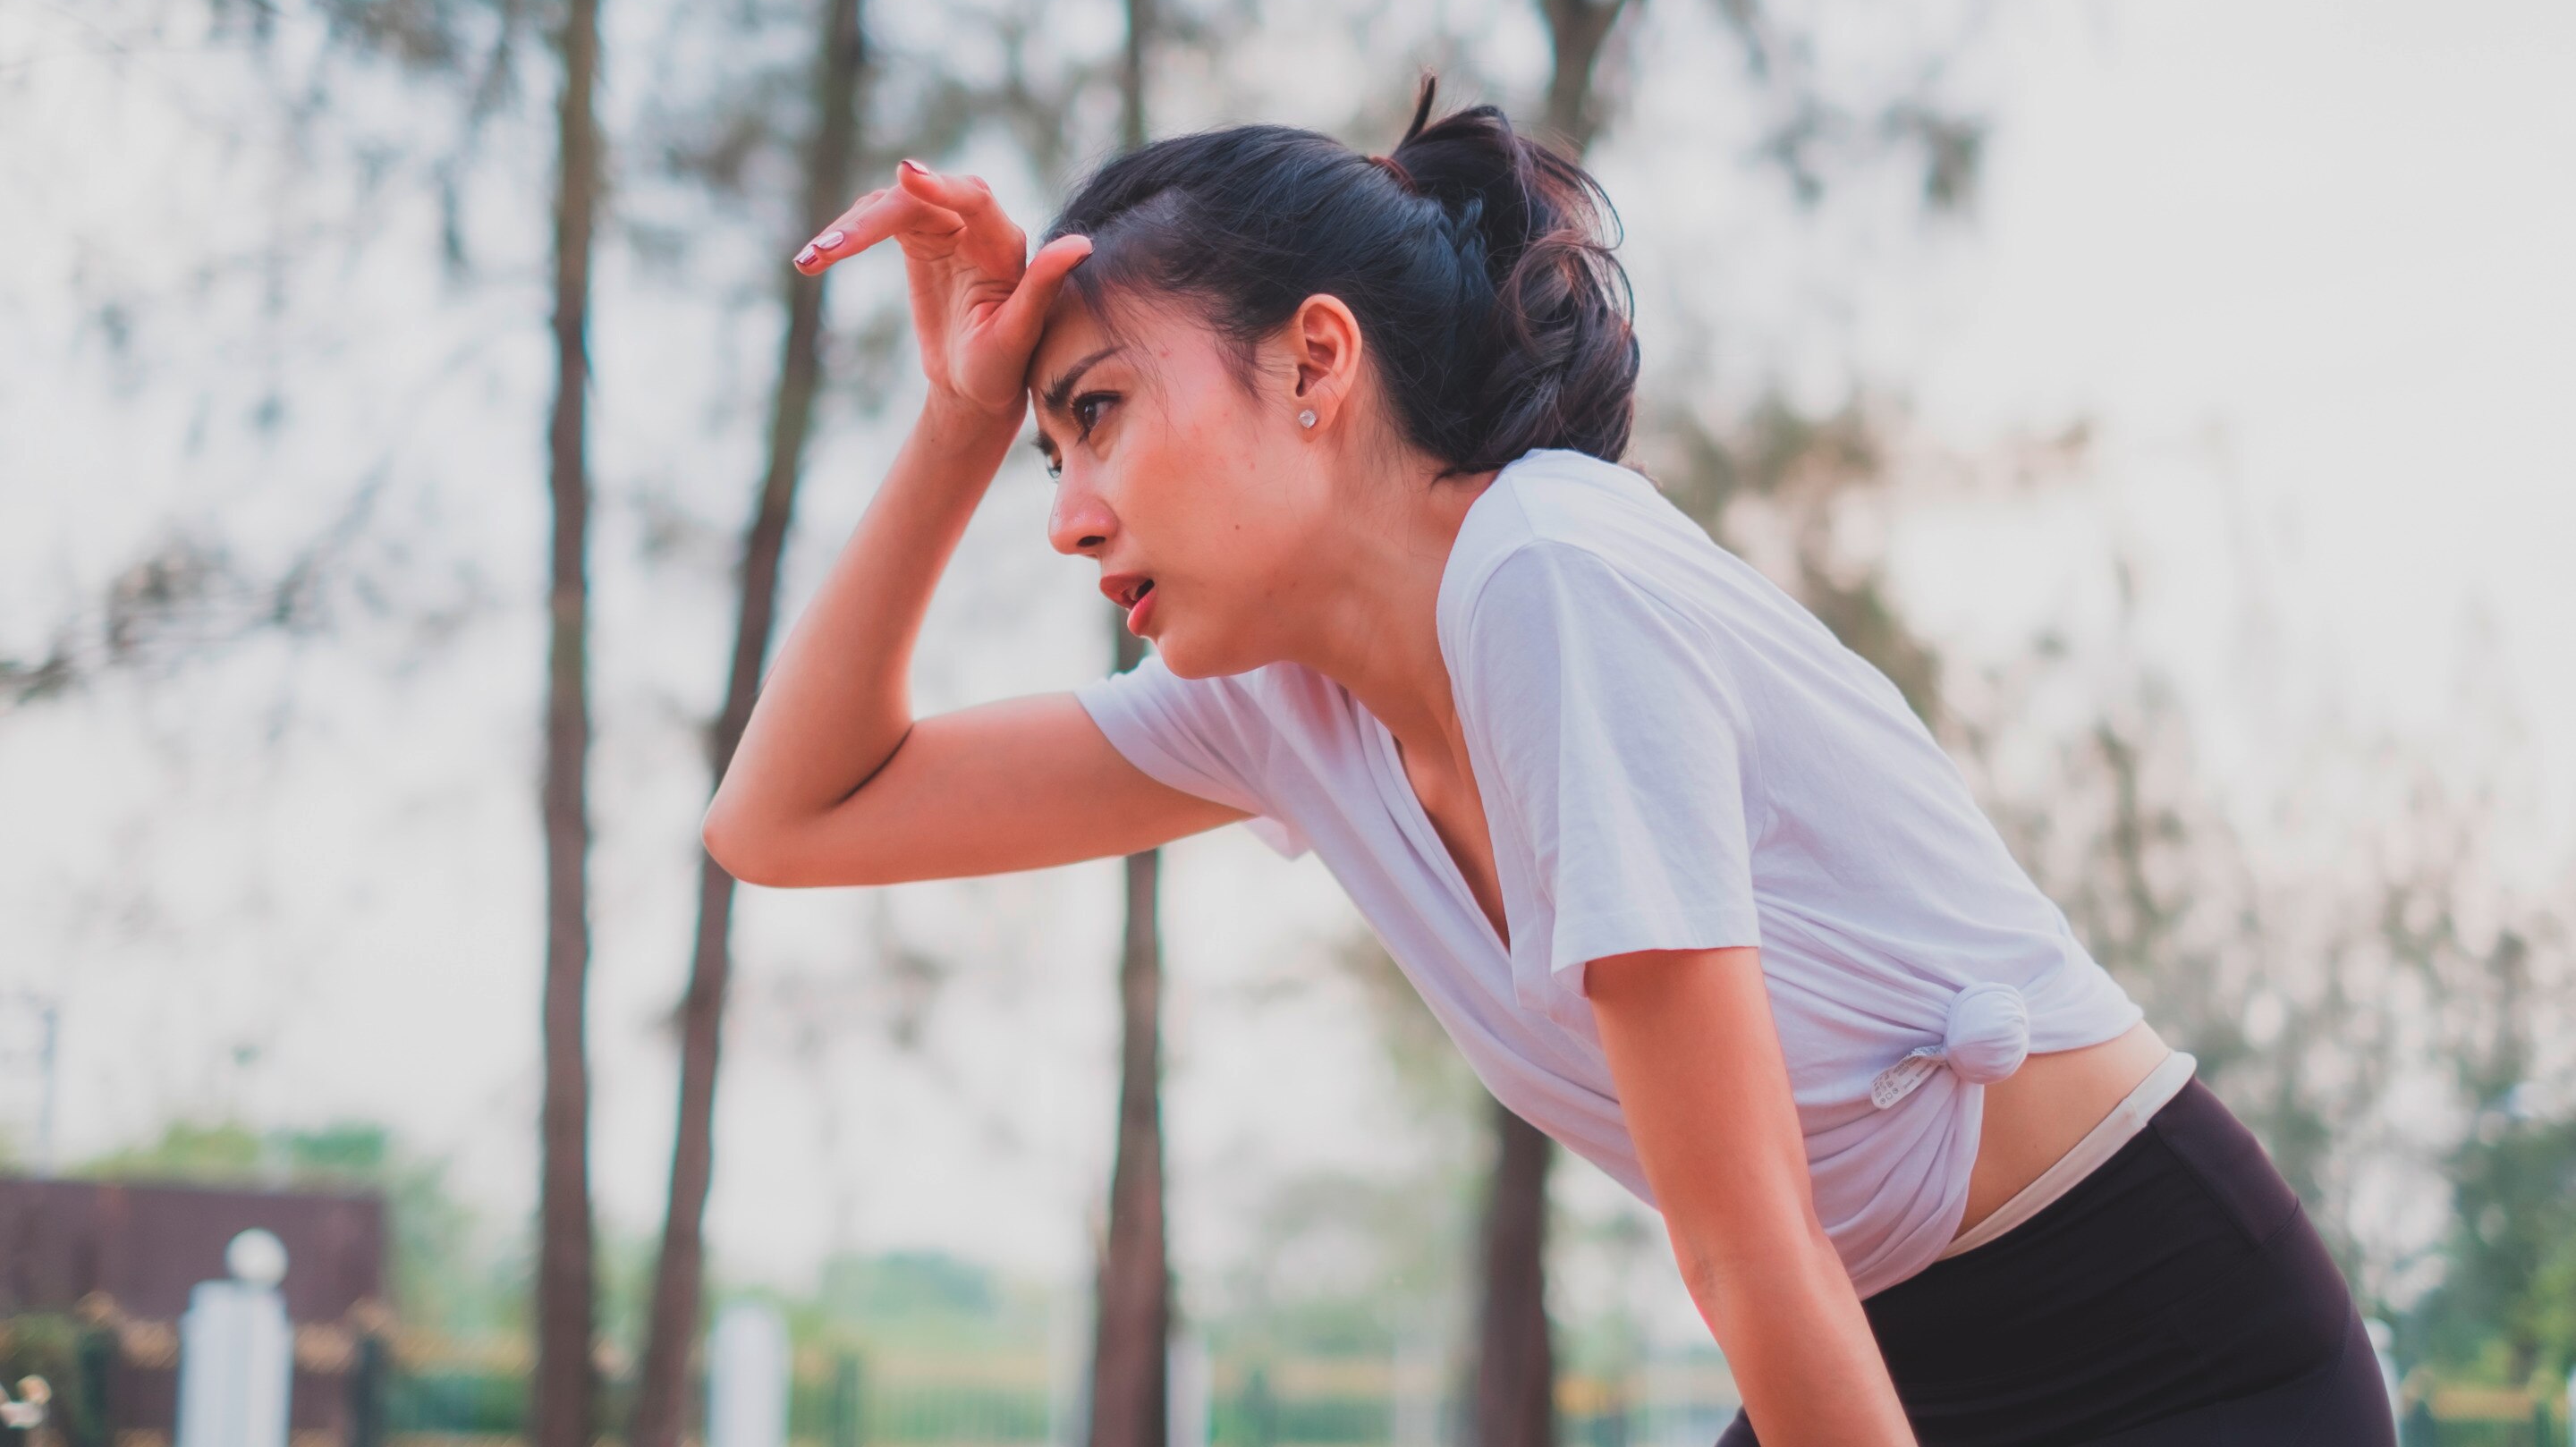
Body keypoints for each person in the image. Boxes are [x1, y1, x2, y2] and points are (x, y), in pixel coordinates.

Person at [703, 84, 2397, 1447]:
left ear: (1314, 361)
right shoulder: (1282, 702)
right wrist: (955, 421)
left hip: (2171, 1350)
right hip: (1888, 1339)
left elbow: (1745, 1249)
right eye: (1044, 445)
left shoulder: (1552, 580)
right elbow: (786, 819)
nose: (1068, 514)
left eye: (1099, 413)